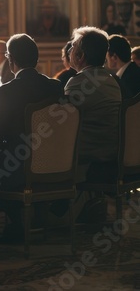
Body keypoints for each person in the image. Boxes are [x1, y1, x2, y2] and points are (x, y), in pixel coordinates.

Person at [0, 33, 64, 242]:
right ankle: (33, 213)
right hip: (55, 164)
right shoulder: (55, 87)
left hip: (18, 169)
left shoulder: (7, 91)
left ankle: (14, 222)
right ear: (37, 59)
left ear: (10, 60)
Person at [64, 26, 121, 183]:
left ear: (80, 56)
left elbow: (61, 122)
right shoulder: (111, 80)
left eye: (72, 47)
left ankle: (56, 205)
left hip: (91, 160)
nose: (69, 51)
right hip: (113, 156)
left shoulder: (79, 82)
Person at [106, 34, 140, 99]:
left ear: (114, 57)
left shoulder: (127, 79)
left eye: (107, 56)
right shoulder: (134, 70)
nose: (106, 60)